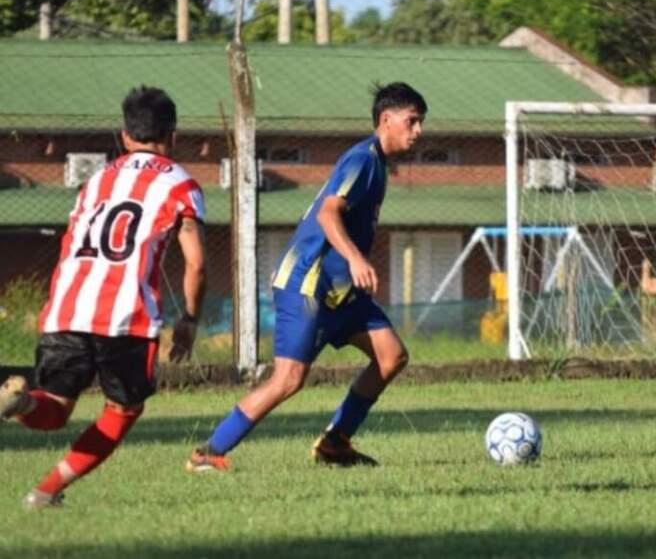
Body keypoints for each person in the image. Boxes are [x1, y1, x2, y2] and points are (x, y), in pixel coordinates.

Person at [187, 81, 427, 471]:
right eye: (411, 121)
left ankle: (335, 443)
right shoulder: (361, 161)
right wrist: (356, 259)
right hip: (308, 284)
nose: (418, 132)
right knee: (288, 380)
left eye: (420, 123)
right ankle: (208, 453)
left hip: (341, 293)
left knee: (391, 356)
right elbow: (327, 214)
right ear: (386, 119)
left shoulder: (377, 164)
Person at [0, 86, 207, 509]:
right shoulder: (182, 184)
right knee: (123, 411)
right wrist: (188, 321)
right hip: (126, 316)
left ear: (124, 135)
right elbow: (198, 263)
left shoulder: (96, 180)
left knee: (53, 409)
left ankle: (20, 402)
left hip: (67, 307)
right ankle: (45, 492)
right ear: (173, 135)